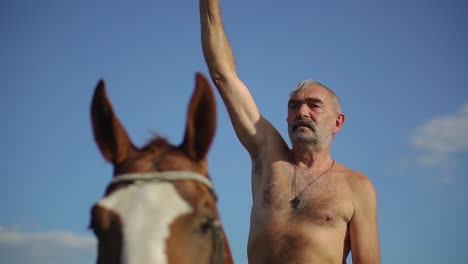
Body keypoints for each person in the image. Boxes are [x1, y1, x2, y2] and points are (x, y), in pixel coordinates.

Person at [199, 0, 380, 263]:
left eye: (314, 105)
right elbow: (223, 75)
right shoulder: (268, 156)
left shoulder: (356, 186)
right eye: (294, 106)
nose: (302, 112)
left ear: (338, 122)